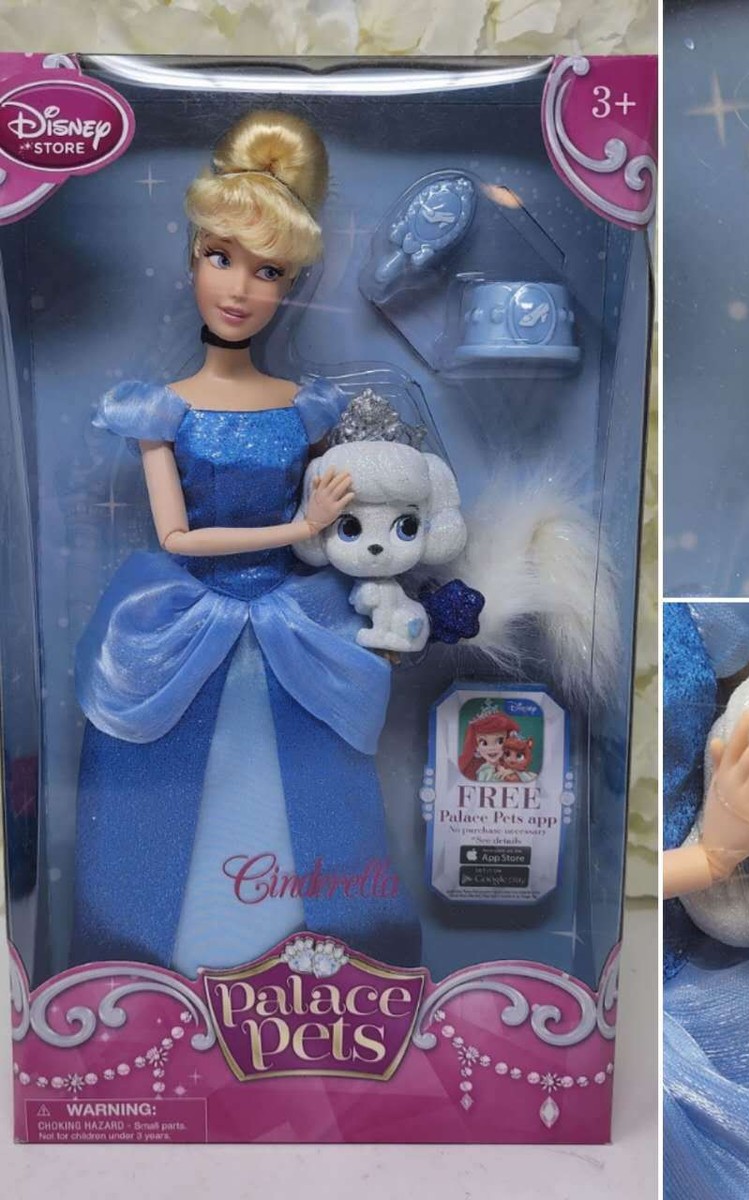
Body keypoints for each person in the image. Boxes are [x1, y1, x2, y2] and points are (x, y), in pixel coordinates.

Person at [72, 110, 422, 976]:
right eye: (220, 258)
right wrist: (299, 525)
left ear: (291, 285)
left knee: (311, 781)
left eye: (268, 271)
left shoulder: (306, 406)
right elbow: (177, 535)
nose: (239, 289)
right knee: (169, 779)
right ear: (192, 259)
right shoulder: (162, 409)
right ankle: (159, 960)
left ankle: (322, 953)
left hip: (295, 618)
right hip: (186, 617)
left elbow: (348, 520)